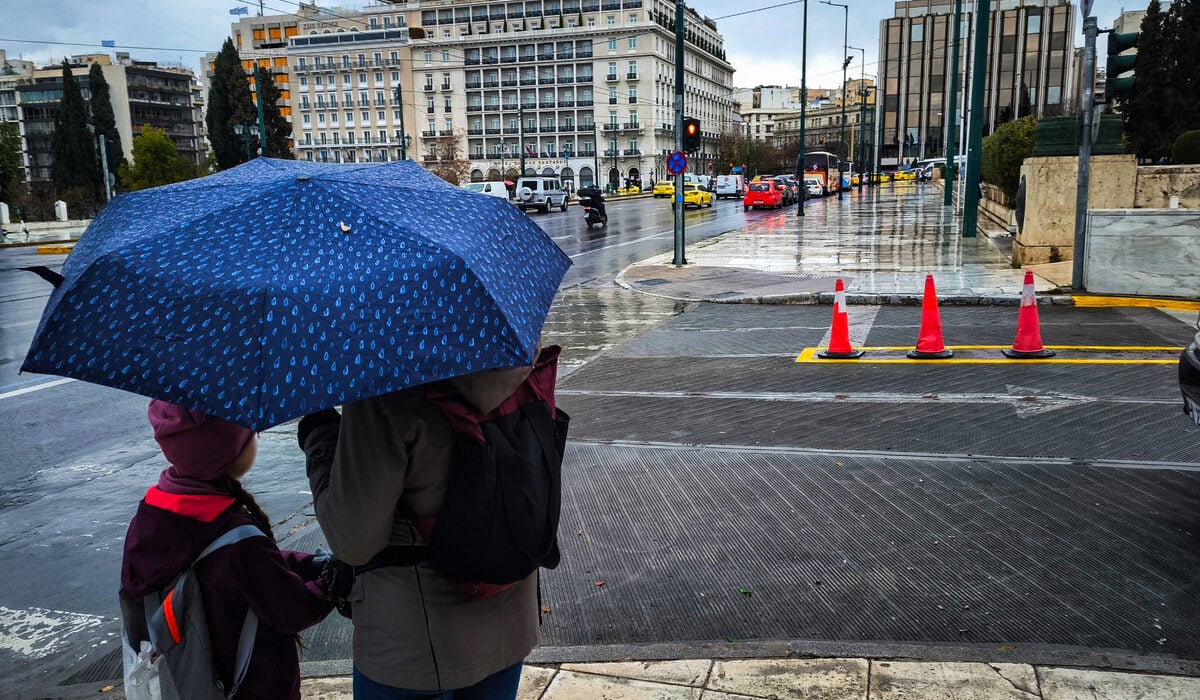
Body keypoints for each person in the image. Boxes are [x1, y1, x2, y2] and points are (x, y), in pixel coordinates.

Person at [297, 349, 558, 698]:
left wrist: (322, 438)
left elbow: (353, 540)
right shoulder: (515, 352)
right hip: (510, 622)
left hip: (413, 647)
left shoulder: (382, 384)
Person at [121, 400, 333, 699]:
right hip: (254, 687)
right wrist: (332, 583)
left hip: (197, 683)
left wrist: (308, 564)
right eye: (249, 435)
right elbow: (293, 609)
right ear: (228, 453)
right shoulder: (238, 539)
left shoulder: (153, 513)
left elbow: (242, 570)